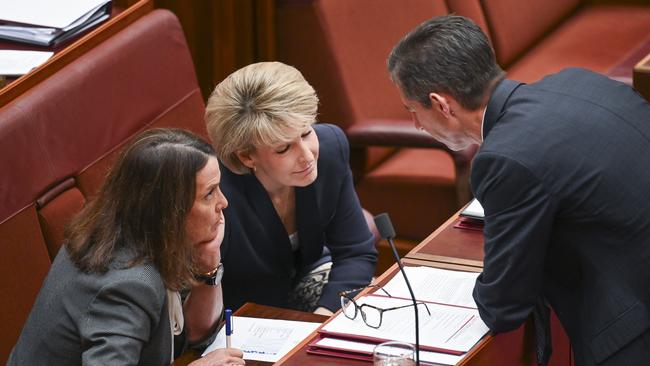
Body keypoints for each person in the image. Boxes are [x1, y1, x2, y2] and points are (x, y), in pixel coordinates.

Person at [388, 14, 650, 366]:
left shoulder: (505, 159)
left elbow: (502, 307)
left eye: (413, 111)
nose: (416, 125)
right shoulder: (579, 79)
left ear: (441, 104)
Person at [9, 129, 245, 366]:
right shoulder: (128, 284)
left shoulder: (124, 232)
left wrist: (209, 259)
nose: (223, 202)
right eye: (209, 193)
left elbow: (190, 337)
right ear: (169, 209)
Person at [205, 61, 378, 315]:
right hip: (240, 318)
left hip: (304, 294)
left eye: (306, 133)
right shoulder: (216, 193)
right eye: (284, 148)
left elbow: (356, 253)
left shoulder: (330, 149)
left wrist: (323, 316)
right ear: (246, 157)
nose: (307, 156)